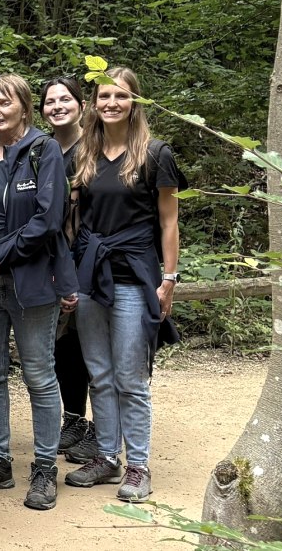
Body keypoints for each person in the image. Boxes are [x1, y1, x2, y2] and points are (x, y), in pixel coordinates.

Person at [0, 74, 75, 511]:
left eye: (5, 102)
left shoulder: (45, 151)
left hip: (31, 281)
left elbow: (47, 219)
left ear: (24, 107)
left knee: (39, 374)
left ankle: (44, 468)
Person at [62, 67, 183, 502]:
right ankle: (107, 457)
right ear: (93, 103)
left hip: (135, 274)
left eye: (121, 95)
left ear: (135, 102)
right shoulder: (84, 154)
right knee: (100, 373)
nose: (111, 103)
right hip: (92, 274)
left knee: (131, 375)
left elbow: (169, 223)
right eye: (104, 96)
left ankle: (138, 465)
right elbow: (72, 219)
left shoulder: (154, 154)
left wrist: (169, 278)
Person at [38, 76, 97, 464]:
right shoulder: (41, 149)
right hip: (50, 255)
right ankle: (74, 417)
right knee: (63, 342)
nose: (57, 106)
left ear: (80, 104)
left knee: (91, 341)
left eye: (65, 99)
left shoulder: (93, 147)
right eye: (50, 101)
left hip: (88, 254)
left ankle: (100, 429)